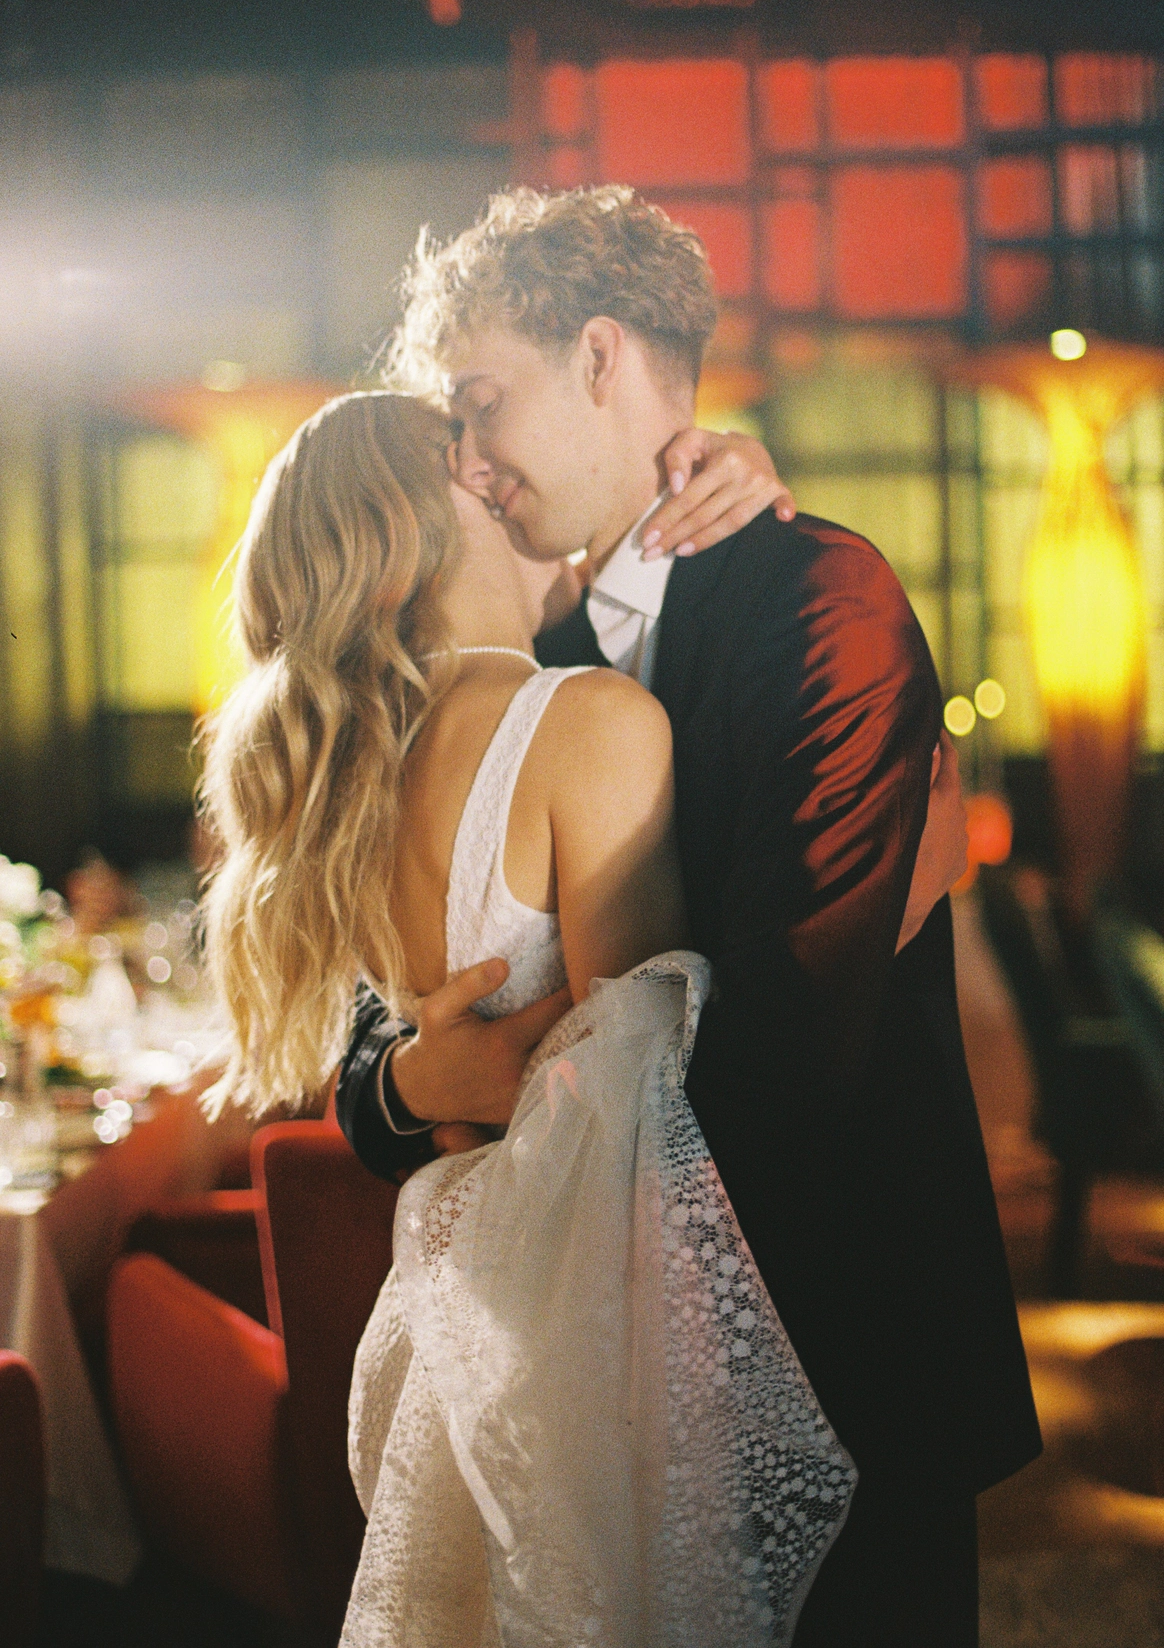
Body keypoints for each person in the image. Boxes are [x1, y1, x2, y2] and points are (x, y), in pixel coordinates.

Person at [336, 186, 1042, 1645]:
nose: (466, 459)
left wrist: (521, 1099)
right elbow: (369, 1041)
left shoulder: (820, 602)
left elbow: (784, 1050)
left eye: (482, 405)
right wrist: (412, 1081)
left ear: (601, 356)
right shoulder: (519, 657)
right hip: (571, 1403)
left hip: (833, 1343)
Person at [199, 390, 868, 1646]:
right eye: (477, 465)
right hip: (603, 1310)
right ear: (437, 516)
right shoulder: (585, 722)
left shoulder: (360, 771)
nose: (506, 477)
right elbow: (648, 1102)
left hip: (471, 1308)